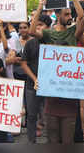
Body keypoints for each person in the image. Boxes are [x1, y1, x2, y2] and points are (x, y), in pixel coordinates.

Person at [28, 0, 84, 144]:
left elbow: (82, 16)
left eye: (70, 14)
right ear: (58, 15)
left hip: (69, 96)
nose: (69, 17)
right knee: (53, 140)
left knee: (67, 140)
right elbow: (32, 31)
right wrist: (40, 6)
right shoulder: (48, 34)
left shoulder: (73, 32)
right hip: (52, 96)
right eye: (66, 14)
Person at [21, 15, 52, 143]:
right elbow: (24, 63)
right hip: (32, 86)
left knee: (50, 117)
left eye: (41, 25)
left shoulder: (52, 42)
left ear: (48, 28)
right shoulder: (29, 44)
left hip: (51, 85)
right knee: (32, 116)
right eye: (36, 25)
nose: (37, 27)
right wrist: (35, 79)